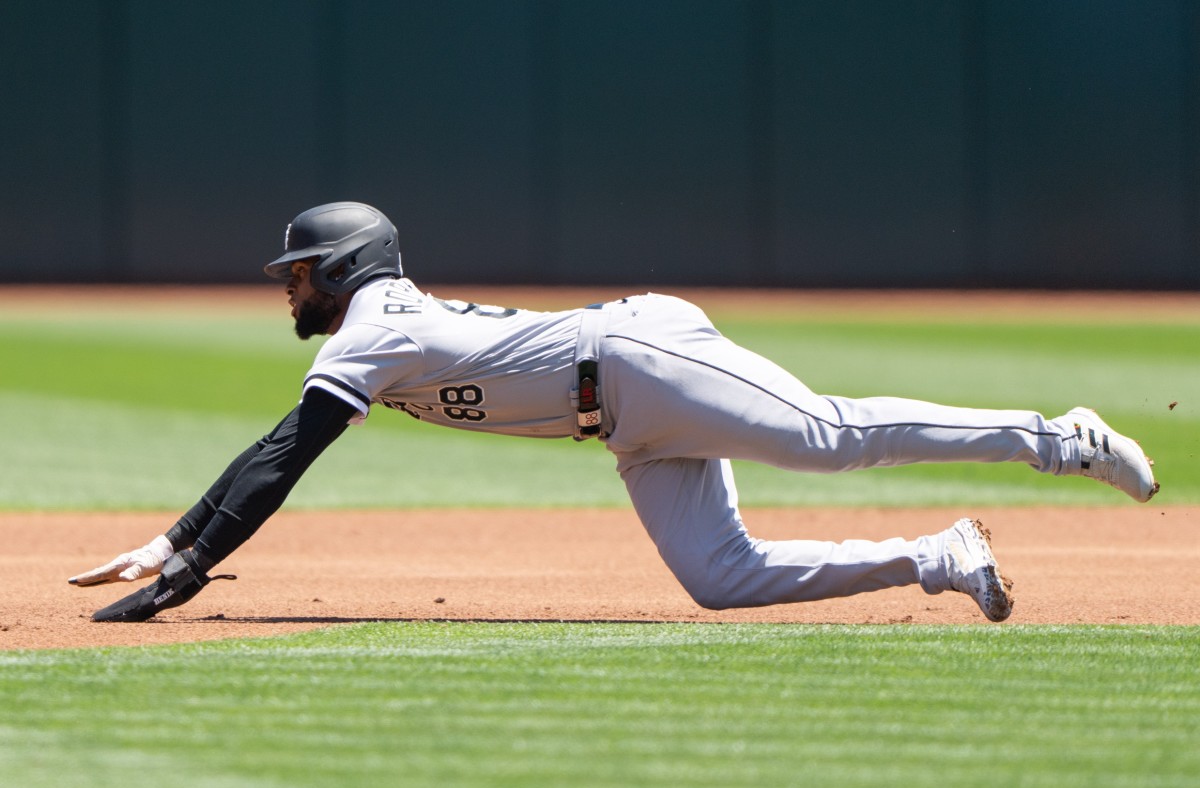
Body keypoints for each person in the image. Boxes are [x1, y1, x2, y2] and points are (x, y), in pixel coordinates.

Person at [69, 202, 1160, 624]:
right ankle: (944, 556)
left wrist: (189, 565)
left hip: (636, 356)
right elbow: (279, 444)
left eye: (298, 272)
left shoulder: (370, 327)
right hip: (623, 420)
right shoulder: (372, 327)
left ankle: (1056, 437)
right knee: (720, 578)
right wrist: (176, 541)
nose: (289, 289)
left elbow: (284, 452)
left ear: (343, 269)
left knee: (830, 437)